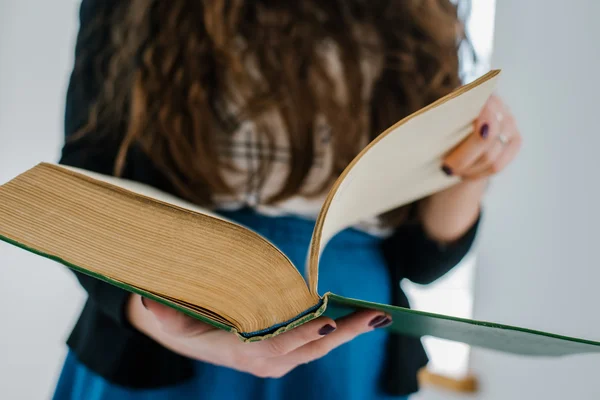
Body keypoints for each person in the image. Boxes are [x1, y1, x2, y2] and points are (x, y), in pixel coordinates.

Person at [52, 1, 522, 399]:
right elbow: (82, 187)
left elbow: (421, 261)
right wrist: (158, 321)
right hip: (168, 330)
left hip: (348, 348)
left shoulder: (422, 12)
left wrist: (472, 169)